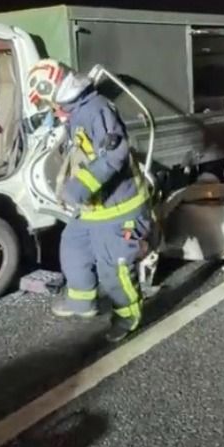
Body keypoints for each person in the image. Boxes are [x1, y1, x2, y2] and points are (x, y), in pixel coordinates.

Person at [45, 65, 153, 342]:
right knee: (73, 247)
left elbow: (114, 156)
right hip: (94, 209)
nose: (52, 110)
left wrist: (79, 188)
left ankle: (128, 316)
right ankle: (81, 303)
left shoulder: (97, 110)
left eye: (51, 104)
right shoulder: (75, 113)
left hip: (120, 210)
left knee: (114, 270)